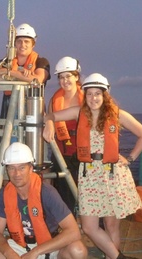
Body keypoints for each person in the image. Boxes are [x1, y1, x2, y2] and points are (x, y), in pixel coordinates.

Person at [43, 73, 142, 259]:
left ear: (105, 95)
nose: (93, 98)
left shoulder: (118, 114)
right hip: (89, 176)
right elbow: (49, 115)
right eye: (90, 93)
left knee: (111, 226)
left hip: (112, 175)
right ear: (85, 94)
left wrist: (131, 158)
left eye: (97, 94)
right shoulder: (79, 113)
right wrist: (50, 124)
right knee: (89, 227)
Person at [0, 142, 88, 259]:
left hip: (49, 245)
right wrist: (9, 254)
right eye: (11, 168)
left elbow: (73, 231)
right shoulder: (4, 194)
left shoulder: (47, 192)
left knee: (78, 250)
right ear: (7, 170)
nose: (17, 174)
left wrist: (35, 252)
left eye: (22, 168)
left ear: (30, 169)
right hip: (19, 246)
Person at [0, 23, 51, 119]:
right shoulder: (5, 62)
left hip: (33, 108)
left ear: (33, 44)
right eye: (19, 41)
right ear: (14, 43)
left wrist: (8, 74)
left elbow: (38, 80)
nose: (22, 45)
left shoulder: (41, 62)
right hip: (8, 110)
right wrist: (20, 74)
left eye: (26, 41)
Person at [48, 56, 83, 215]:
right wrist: (48, 124)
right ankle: (69, 226)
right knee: (64, 194)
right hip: (62, 153)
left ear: (77, 76)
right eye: (61, 77)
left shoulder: (88, 98)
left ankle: (96, 225)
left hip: (84, 153)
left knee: (87, 193)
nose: (65, 80)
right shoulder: (55, 99)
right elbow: (49, 115)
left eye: (68, 76)